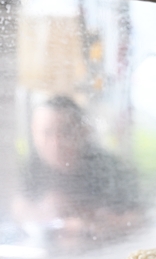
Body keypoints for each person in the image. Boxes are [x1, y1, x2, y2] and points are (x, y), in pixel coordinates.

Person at [11, 95, 142, 250]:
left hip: (104, 254)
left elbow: (138, 218)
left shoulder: (105, 167)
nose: (56, 143)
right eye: (46, 133)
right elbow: (18, 208)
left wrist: (91, 221)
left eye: (65, 132)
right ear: (34, 133)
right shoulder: (34, 166)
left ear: (82, 131)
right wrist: (47, 212)